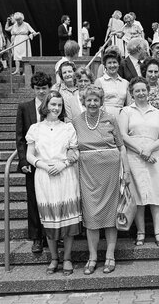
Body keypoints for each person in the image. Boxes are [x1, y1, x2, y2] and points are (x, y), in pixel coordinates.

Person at [72, 85, 129, 275]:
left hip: (111, 171)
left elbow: (121, 146)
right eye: (89, 100)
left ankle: (110, 255)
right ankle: (93, 256)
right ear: (83, 101)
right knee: (92, 215)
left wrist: (126, 171)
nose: (92, 103)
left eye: (96, 100)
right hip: (88, 173)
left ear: (101, 101)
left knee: (111, 215)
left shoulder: (110, 118)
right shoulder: (76, 121)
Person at [25, 91, 82, 276]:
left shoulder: (68, 128)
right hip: (44, 176)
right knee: (49, 219)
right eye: (52, 104)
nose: (56, 108)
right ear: (46, 106)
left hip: (65, 174)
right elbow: (29, 155)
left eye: (59, 105)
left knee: (67, 217)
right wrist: (42, 165)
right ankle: (53, 258)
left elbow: (75, 153)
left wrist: (62, 164)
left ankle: (67, 258)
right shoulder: (35, 128)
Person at [118, 78, 159, 247]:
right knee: (138, 196)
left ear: (148, 91)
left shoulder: (157, 112)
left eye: (143, 90)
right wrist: (142, 151)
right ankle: (140, 232)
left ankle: (158, 232)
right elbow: (123, 136)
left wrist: (150, 149)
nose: (141, 93)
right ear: (132, 93)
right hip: (134, 157)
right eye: (137, 91)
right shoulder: (126, 112)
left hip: (155, 156)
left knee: (157, 195)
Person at [16, 71, 52, 254]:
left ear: (49, 88)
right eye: (38, 89)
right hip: (32, 161)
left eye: (44, 89)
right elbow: (20, 137)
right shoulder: (24, 107)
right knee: (33, 199)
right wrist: (23, 160)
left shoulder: (54, 105)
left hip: (50, 159)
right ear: (33, 89)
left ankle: (52, 235)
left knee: (52, 198)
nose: (41, 92)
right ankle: (37, 237)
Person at [95, 46, 131, 116]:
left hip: (122, 116)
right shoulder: (99, 81)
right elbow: (96, 102)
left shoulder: (125, 83)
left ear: (118, 64)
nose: (112, 65)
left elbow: (129, 104)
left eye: (114, 62)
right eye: (109, 63)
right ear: (105, 65)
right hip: (104, 116)